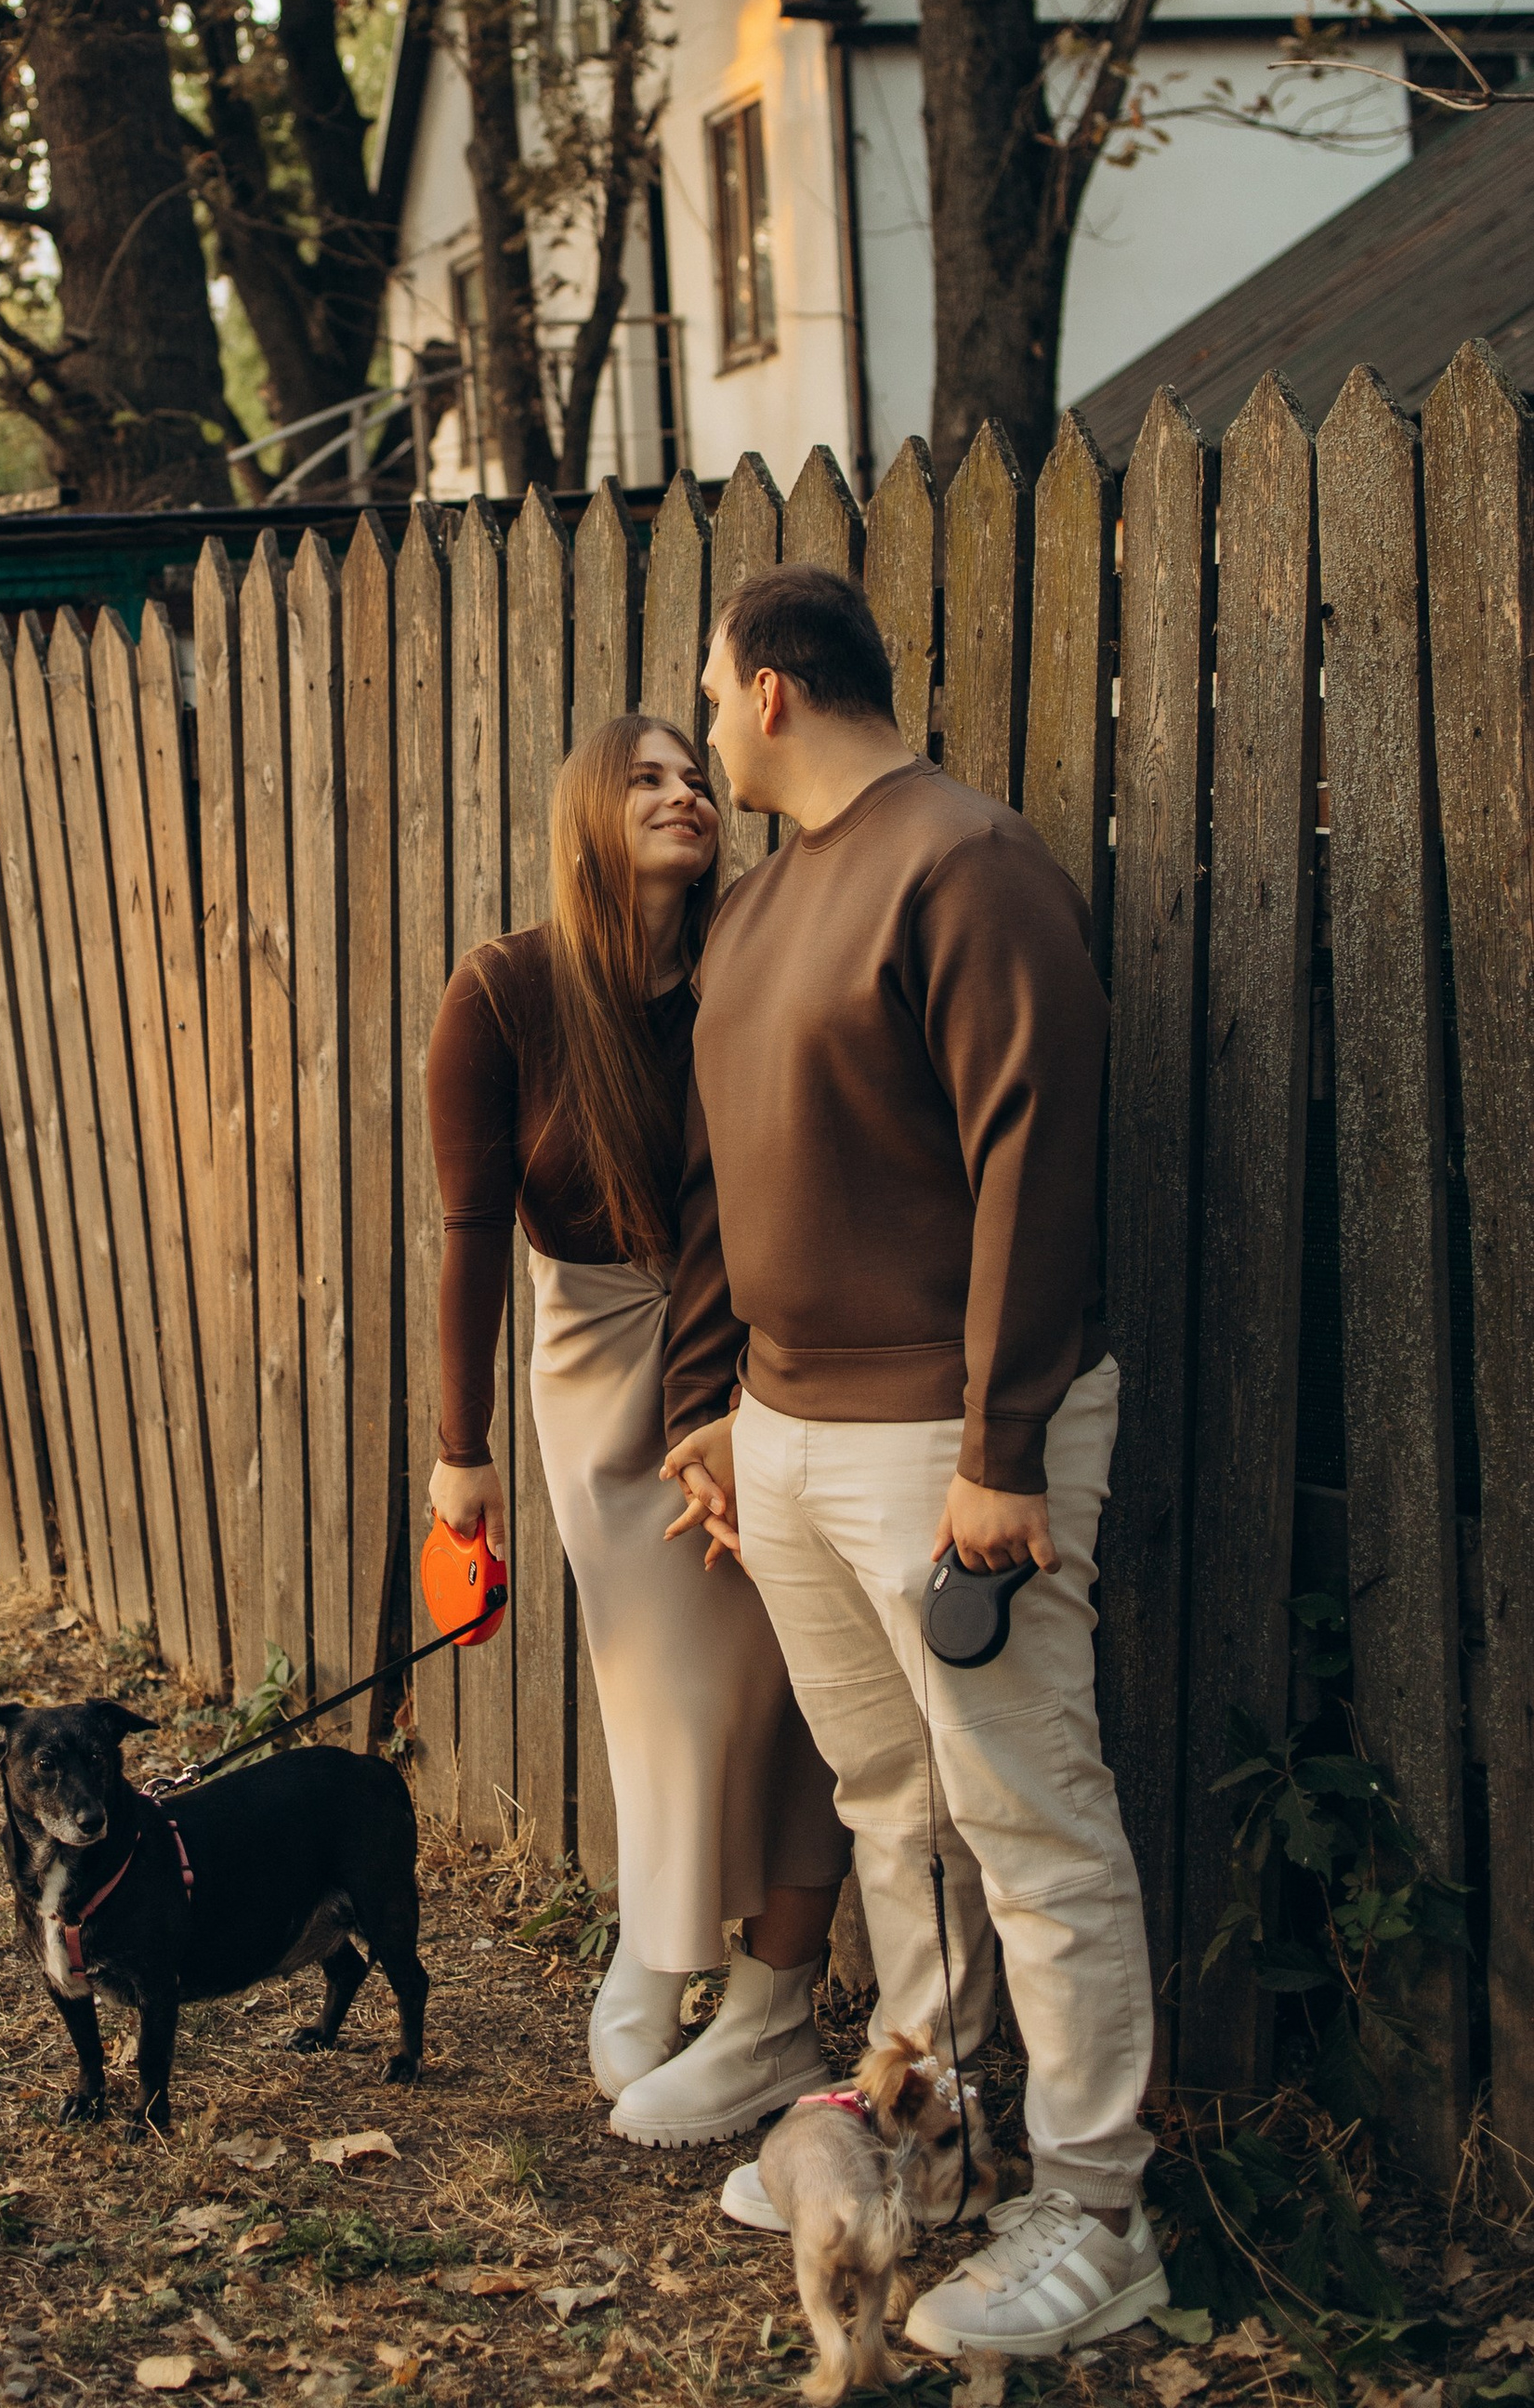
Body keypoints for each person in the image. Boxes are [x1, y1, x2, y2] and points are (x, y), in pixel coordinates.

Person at [660, 564, 1168, 2362]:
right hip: (789, 1435)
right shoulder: (760, 906)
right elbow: (723, 1171)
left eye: (711, 693)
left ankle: (1099, 2211)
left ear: (772, 689)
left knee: (1029, 1816)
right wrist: (714, 1405)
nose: (707, 729)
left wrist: (1004, 1443)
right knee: (892, 1802)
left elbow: (1036, 1147)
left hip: (952, 1446)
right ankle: (936, 2145)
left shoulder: (970, 865)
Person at [426, 712, 849, 2149]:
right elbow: (472, 1232)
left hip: (758, 1350)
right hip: (597, 1364)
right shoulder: (505, 992)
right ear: (589, 816)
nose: (684, 795)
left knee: (795, 1672)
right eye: (647, 779)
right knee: (666, 1683)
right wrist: (461, 1446)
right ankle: (661, 1947)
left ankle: (769, 1995)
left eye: (694, 777)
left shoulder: (748, 954)